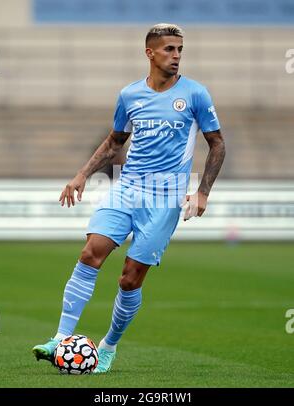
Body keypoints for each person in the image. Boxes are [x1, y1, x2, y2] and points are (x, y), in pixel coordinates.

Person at [32, 23, 225, 374]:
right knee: (91, 253)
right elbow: (114, 142)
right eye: (169, 49)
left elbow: (218, 144)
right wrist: (81, 175)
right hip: (126, 187)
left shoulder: (196, 94)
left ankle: (108, 347)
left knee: (130, 278)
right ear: (150, 52)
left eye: (180, 49)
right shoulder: (129, 95)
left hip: (165, 197)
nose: (177, 55)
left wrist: (203, 192)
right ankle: (60, 338)